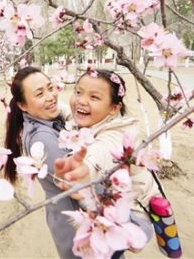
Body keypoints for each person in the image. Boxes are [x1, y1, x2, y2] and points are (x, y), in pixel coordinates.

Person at [54, 68, 161, 256]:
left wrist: (85, 167)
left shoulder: (119, 133)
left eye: (94, 97)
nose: (81, 100)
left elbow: (101, 153)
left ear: (114, 108)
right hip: (111, 208)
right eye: (78, 92)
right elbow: (65, 111)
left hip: (133, 217)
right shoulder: (87, 120)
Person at [4, 66, 80, 259]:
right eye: (39, 94)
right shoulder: (42, 140)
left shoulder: (43, 122)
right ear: (22, 105)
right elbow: (81, 186)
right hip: (78, 228)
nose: (50, 96)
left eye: (50, 87)